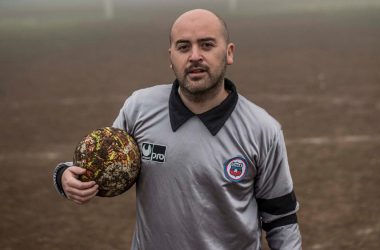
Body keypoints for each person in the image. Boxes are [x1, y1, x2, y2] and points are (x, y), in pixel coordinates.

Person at [53, 9, 302, 250]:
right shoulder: (139, 108)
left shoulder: (262, 129)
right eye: (184, 47)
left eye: (206, 45)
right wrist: (65, 176)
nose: (194, 56)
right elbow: (102, 161)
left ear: (229, 53)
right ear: (171, 57)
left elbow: (281, 218)